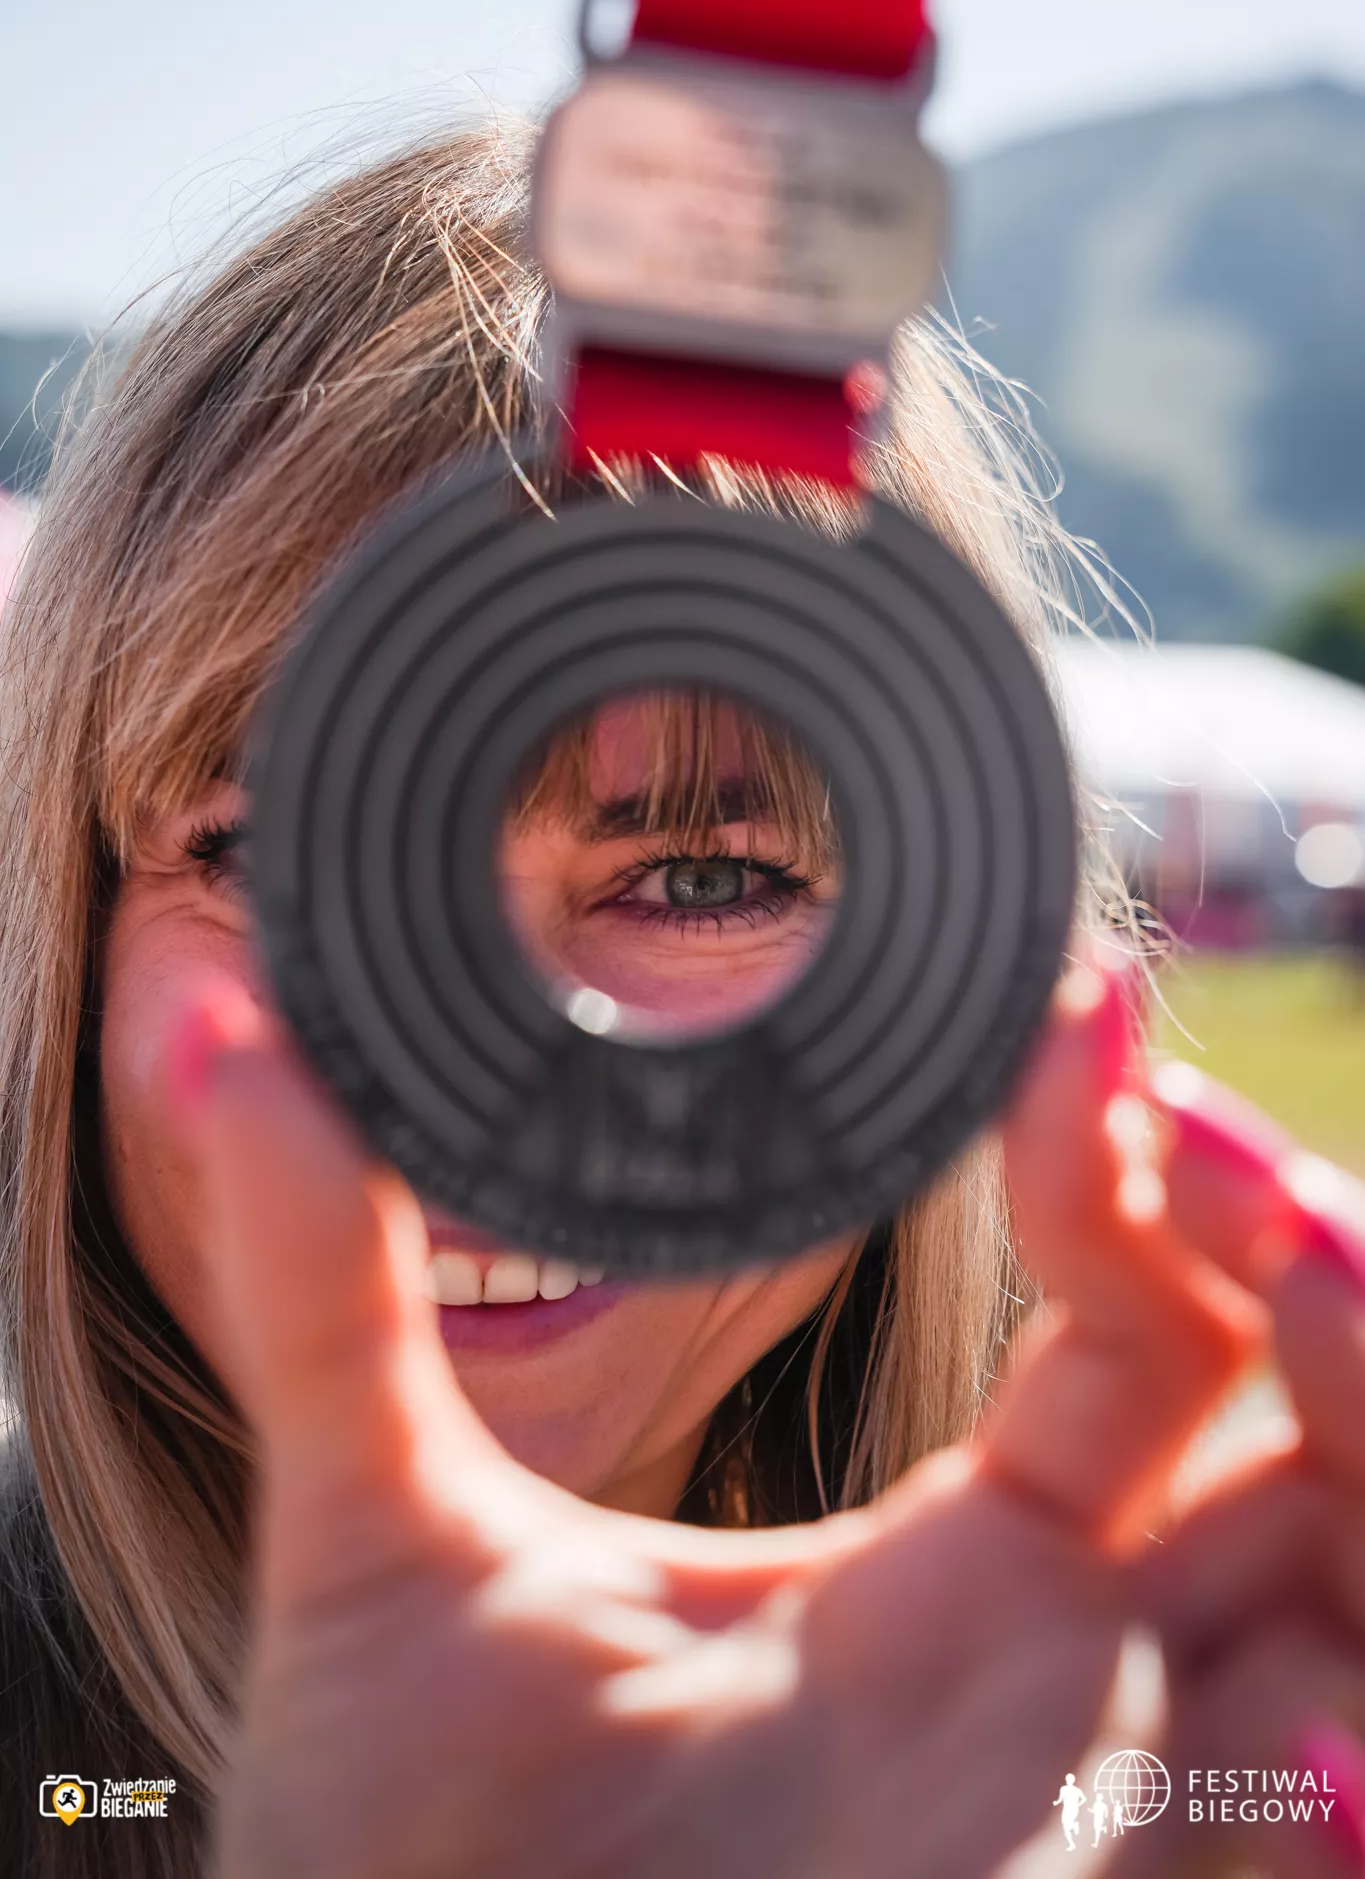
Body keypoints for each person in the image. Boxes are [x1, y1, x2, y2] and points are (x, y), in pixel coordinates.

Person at [2, 120, 1364, 1878]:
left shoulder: (1181, 1760)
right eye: (281, 858)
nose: (481, 1088)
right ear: (69, 929)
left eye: (706, 879)